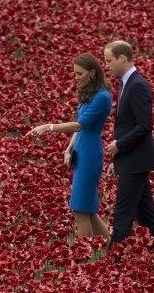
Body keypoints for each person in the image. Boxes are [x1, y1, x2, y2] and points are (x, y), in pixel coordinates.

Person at [26, 53, 112, 242]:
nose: (76, 78)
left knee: (80, 209)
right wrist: (69, 147)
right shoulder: (89, 94)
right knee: (87, 210)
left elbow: (81, 125)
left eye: (79, 74)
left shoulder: (102, 97)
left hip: (90, 152)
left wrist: (48, 127)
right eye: (74, 73)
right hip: (81, 148)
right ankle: (114, 250)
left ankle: (86, 259)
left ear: (92, 72)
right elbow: (79, 125)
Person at [103, 40, 154, 247]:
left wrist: (119, 145)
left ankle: (112, 262)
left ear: (122, 58)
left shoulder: (137, 85)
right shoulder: (125, 83)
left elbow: (144, 126)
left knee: (123, 214)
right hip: (133, 160)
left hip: (136, 160)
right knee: (147, 215)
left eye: (109, 60)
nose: (107, 65)